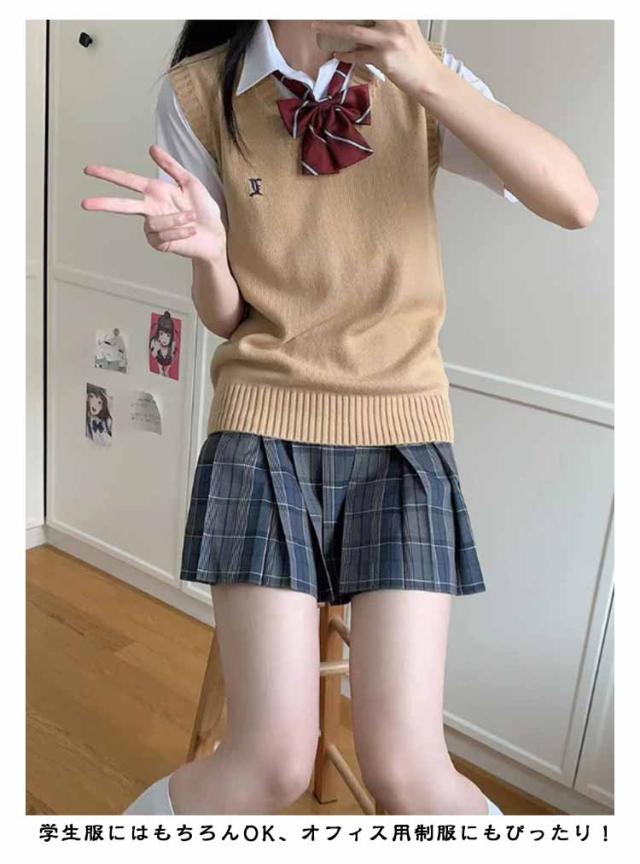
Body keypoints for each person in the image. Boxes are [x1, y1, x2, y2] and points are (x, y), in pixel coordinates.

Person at [80, 20, 598, 817]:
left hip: (403, 436)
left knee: (411, 775)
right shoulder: (199, 93)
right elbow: (226, 316)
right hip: (262, 432)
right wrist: (210, 255)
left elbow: (575, 202)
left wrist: (422, 76)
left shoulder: (418, 73)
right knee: (269, 764)